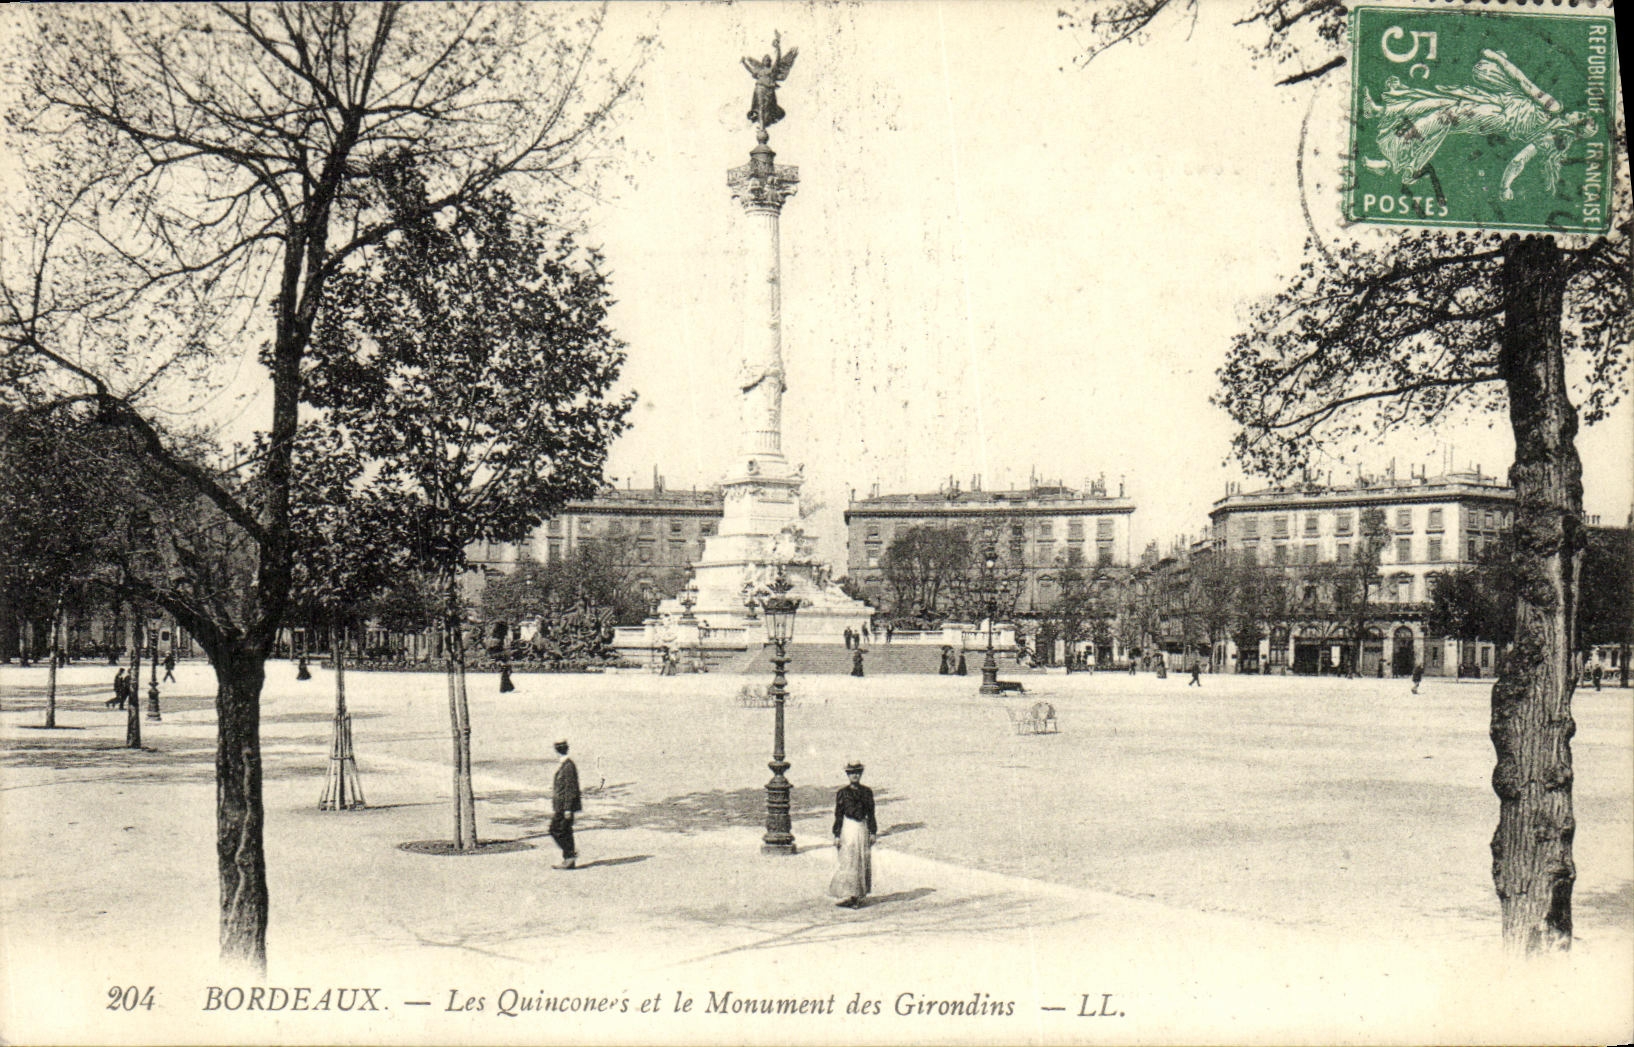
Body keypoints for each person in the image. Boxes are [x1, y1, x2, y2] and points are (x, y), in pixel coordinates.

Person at [829, 761, 877, 908]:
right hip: (848, 828)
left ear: (861, 774)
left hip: (861, 827)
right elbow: (838, 814)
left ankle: (858, 896)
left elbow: (871, 813)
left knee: (860, 859)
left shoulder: (867, 792)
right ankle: (849, 894)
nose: (854, 776)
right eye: (851, 773)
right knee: (848, 860)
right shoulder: (842, 793)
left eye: (857, 773)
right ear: (848, 775)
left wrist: (873, 831)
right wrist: (837, 834)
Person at [549, 738, 582, 870]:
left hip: (564, 807)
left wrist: (568, 808)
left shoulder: (568, 766)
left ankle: (570, 856)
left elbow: (570, 788)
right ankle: (569, 859)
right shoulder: (566, 764)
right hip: (562, 806)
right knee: (565, 831)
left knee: (556, 830)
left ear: (557, 751)